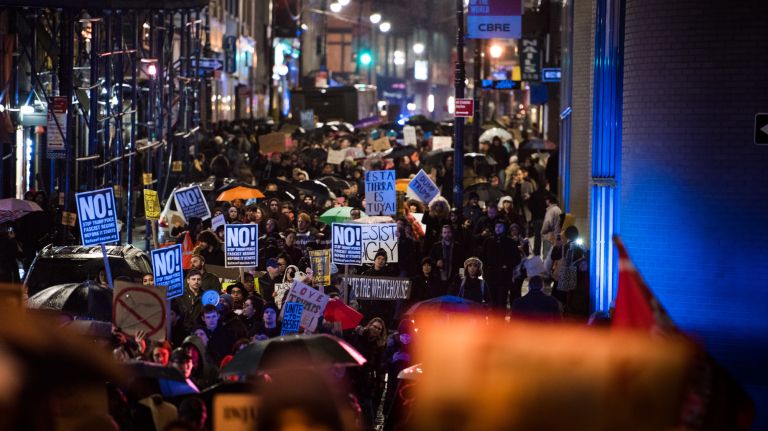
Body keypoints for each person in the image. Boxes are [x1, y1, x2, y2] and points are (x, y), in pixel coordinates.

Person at [347, 318, 388, 429]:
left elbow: (379, 364)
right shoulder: (357, 335)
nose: (376, 330)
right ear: (369, 325)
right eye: (375, 326)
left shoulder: (379, 345)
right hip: (350, 375)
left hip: (365, 381)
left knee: (367, 413)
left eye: (379, 329)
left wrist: (380, 380)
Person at [481, 220, 522, 310]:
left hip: (504, 277)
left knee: (501, 301)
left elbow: (517, 258)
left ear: (504, 228)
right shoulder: (488, 241)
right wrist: (486, 269)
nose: (498, 229)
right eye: (496, 227)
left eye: (500, 227)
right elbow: (482, 256)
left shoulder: (510, 242)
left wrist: (507, 266)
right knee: (492, 301)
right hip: (491, 276)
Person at [541, 194, 562, 258]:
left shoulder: (551, 210)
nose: (545, 201)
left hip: (549, 237)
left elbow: (547, 223)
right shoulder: (558, 209)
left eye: (546, 200)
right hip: (556, 236)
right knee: (554, 257)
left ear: (549, 201)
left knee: (547, 257)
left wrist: (542, 231)